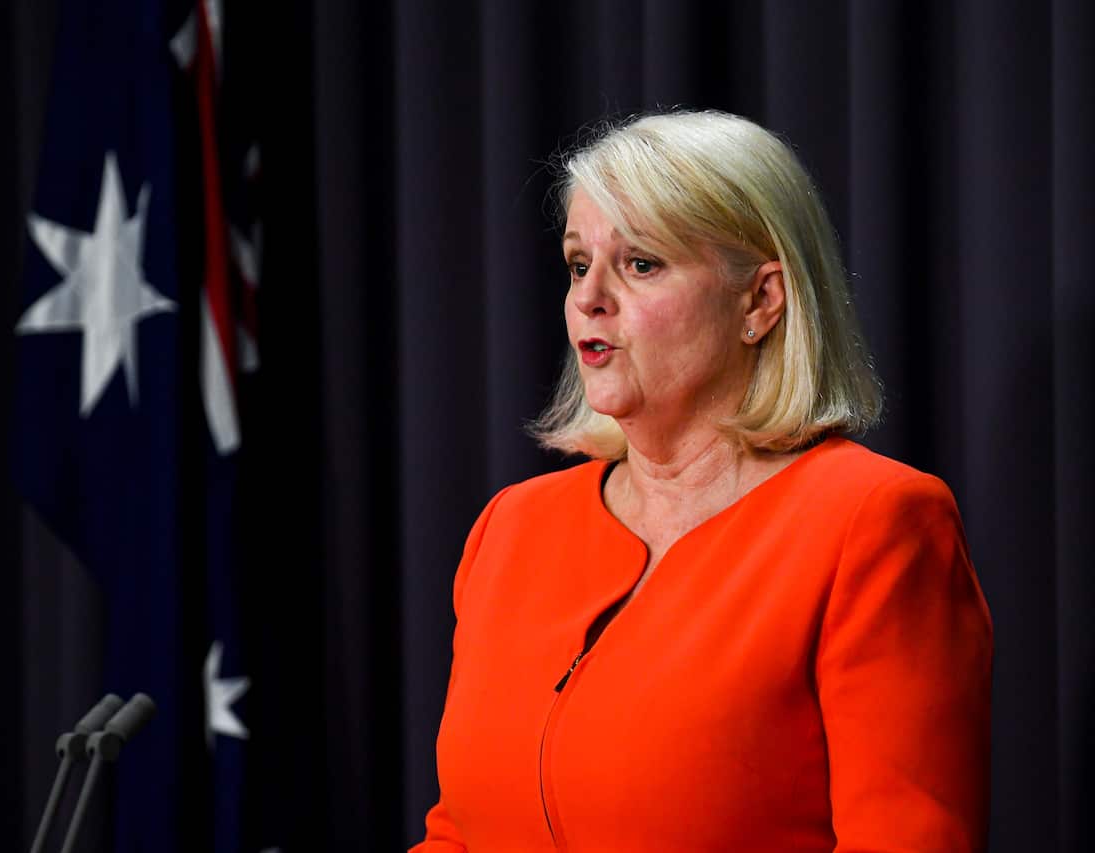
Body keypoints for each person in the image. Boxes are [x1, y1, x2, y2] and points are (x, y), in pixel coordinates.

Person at [411, 110, 992, 852]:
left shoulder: (872, 524)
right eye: (578, 262)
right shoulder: (512, 527)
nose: (590, 297)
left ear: (761, 302)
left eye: (641, 263)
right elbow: (460, 831)